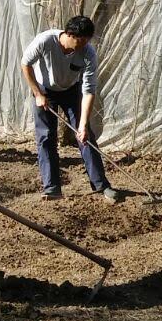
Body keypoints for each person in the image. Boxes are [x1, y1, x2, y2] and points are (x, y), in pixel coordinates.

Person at [21, 16, 118, 202]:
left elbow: (89, 91)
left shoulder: (88, 53)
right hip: (44, 90)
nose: (84, 45)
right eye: (81, 40)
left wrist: (82, 125)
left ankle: (101, 185)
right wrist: (38, 94)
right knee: (46, 137)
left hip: (71, 90)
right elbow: (25, 64)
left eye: (87, 41)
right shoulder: (45, 41)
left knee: (85, 135)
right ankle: (52, 188)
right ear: (69, 34)